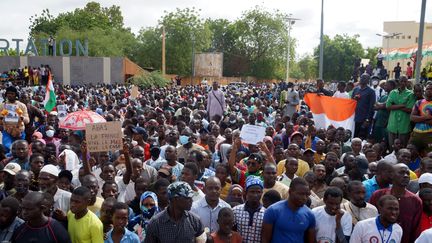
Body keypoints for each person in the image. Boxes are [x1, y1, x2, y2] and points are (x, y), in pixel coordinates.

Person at [370, 163, 422, 243]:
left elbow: (416, 230)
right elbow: (369, 220)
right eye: (401, 172)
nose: (405, 176)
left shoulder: (415, 201)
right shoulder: (378, 195)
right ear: (391, 175)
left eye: (407, 173)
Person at [262, 177, 315, 243]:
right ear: (290, 192)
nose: (304, 198)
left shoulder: (310, 215)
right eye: (300, 194)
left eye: (307, 195)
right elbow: (265, 240)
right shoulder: (273, 211)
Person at [232, 176, 265, 243]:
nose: (255, 195)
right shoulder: (236, 210)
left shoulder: (266, 213)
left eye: (258, 192)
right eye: (252, 192)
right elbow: (231, 232)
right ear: (246, 192)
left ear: (262, 193)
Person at [386, 76, 416, 148]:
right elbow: (388, 106)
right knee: (392, 147)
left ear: (407, 82)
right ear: (399, 82)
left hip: (404, 126)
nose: (403, 83)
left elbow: (410, 109)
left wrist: (395, 105)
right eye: (401, 81)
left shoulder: (410, 94)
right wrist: (402, 105)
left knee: (402, 147)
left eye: (405, 81)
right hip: (392, 125)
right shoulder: (393, 92)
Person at [0, 86, 30, 153]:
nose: (10, 95)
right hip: (7, 131)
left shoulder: (22, 105)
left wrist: (22, 118)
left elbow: (27, 120)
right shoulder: (2, 106)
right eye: (8, 93)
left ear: (16, 95)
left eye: (12, 93)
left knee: (20, 150)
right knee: (8, 149)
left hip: (19, 131)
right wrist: (1, 118)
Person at [410, 81, 432, 156]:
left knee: (428, 156)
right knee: (411, 153)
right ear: (425, 90)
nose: (429, 90)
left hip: (429, 135)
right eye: (428, 89)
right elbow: (412, 118)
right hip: (416, 133)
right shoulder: (419, 102)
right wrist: (426, 117)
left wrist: (419, 119)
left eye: (431, 89)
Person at [351, 73, 376, 139]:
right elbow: (351, 103)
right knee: (353, 137)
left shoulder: (371, 91)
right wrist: (354, 99)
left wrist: (367, 119)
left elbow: (372, 107)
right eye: (361, 77)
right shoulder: (355, 89)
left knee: (362, 138)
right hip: (354, 119)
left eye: (365, 78)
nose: (362, 79)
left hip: (364, 120)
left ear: (368, 81)